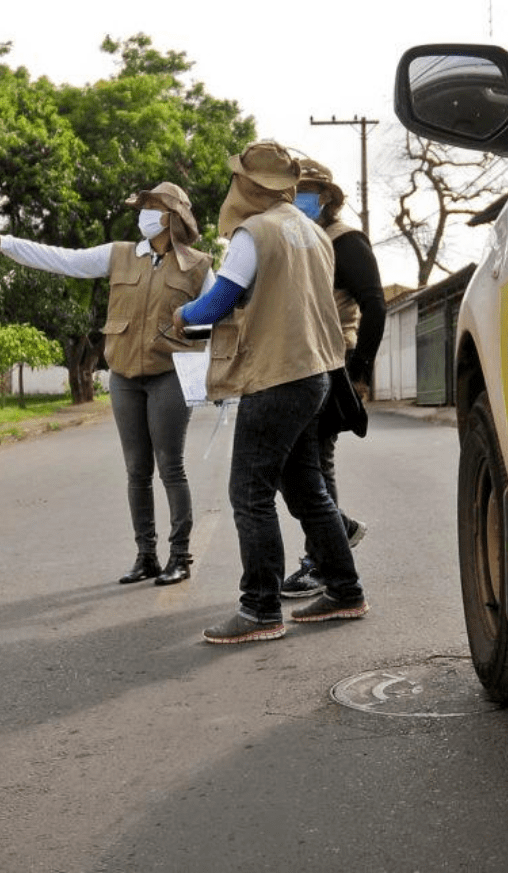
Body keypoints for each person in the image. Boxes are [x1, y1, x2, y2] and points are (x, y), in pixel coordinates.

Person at [172, 140, 368, 644]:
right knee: (306, 487)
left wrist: (182, 315)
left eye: (238, 176)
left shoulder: (253, 232)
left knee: (249, 493)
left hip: (277, 375)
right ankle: (345, 591)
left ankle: (259, 609)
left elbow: (221, 299)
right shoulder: (312, 231)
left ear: (250, 185)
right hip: (316, 373)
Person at [0, 182, 214, 587]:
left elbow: (219, 318)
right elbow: (64, 259)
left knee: (170, 466)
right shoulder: (119, 254)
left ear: (172, 216)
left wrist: (205, 370)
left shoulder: (200, 267)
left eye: (150, 206)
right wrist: (10, 243)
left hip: (170, 375)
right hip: (123, 375)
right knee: (136, 470)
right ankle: (146, 556)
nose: (142, 213)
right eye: (142, 206)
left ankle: (180, 556)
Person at [280, 157, 387, 598]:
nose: (300, 199)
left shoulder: (345, 241)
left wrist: (361, 370)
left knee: (312, 461)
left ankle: (322, 559)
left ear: (326, 197)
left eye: (307, 191)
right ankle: (334, 538)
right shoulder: (303, 240)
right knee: (304, 462)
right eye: (294, 192)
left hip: (335, 358)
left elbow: (375, 305)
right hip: (304, 358)